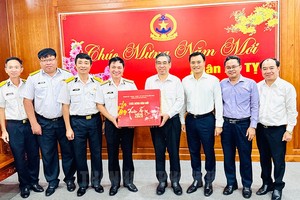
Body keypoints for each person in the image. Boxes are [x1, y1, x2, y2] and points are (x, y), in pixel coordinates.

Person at [22, 48, 76, 197]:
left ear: (56, 59)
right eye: (44, 60)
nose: (48, 62)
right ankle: (52, 181)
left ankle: (70, 179)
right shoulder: (33, 78)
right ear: (40, 62)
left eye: (50, 59)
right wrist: (34, 123)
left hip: (64, 121)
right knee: (47, 153)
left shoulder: (68, 76)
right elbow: (27, 101)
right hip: (43, 122)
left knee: (68, 152)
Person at [57, 53, 103, 197]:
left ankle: (96, 182)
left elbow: (102, 104)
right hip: (76, 122)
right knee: (79, 154)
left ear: (90, 65)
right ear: (75, 65)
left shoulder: (98, 82)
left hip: (95, 120)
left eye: (86, 63)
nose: (83, 65)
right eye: (80, 63)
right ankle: (83, 184)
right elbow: (65, 106)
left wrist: (103, 123)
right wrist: (68, 128)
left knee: (96, 153)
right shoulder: (68, 83)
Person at [180, 52, 223, 197]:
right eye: (193, 62)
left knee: (209, 151)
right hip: (191, 119)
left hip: (207, 120)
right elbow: (183, 103)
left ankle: (209, 181)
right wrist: (182, 120)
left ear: (204, 63)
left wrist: (219, 124)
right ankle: (196, 179)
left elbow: (219, 103)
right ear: (190, 64)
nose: (196, 65)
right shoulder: (185, 80)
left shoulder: (213, 80)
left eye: (199, 62)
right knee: (193, 151)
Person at [0, 57, 43, 198]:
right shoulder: (2, 88)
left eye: (16, 67)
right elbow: (1, 110)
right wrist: (4, 130)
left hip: (29, 123)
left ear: (21, 69)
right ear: (6, 69)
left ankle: (34, 182)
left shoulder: (28, 85)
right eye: (10, 67)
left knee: (33, 154)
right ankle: (24, 185)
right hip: (14, 126)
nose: (13, 70)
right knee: (19, 156)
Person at [256, 58, 298, 200]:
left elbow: (292, 111)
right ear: (261, 70)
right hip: (261, 129)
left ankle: (278, 186)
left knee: (278, 160)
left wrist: (289, 130)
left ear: (278, 68)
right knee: (264, 158)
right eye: (265, 69)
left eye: (271, 68)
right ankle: (266, 183)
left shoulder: (287, 87)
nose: (268, 71)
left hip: (278, 130)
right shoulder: (258, 86)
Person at [96, 56, 138, 196]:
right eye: (113, 67)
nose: (116, 70)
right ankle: (114, 183)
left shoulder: (130, 85)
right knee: (112, 155)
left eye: (119, 67)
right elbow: (99, 105)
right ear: (109, 69)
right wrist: (112, 119)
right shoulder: (102, 86)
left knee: (128, 154)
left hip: (128, 126)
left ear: (123, 69)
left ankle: (128, 181)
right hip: (111, 124)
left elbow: (137, 104)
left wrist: (132, 120)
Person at [220, 55, 259, 199]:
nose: (231, 69)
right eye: (228, 67)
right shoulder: (221, 84)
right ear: (225, 69)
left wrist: (253, 126)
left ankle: (247, 185)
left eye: (234, 66)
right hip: (227, 125)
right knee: (228, 156)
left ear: (240, 67)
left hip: (244, 125)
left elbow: (255, 106)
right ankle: (231, 183)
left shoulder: (250, 84)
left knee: (245, 157)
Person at [145, 53, 184, 196]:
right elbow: (147, 101)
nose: (161, 66)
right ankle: (162, 181)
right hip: (155, 122)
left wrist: (168, 114)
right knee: (159, 152)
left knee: (174, 152)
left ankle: (175, 181)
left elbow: (180, 101)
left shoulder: (176, 81)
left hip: (172, 120)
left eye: (164, 63)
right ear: (155, 65)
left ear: (170, 64)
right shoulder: (149, 81)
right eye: (159, 63)